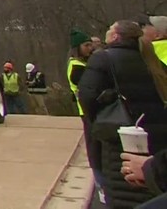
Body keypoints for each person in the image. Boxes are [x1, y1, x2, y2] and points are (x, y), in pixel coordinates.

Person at [78, 20, 167, 209]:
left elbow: (87, 96)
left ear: (116, 36)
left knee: (122, 189)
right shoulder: (153, 60)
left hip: (120, 135)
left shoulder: (102, 59)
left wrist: (101, 121)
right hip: (157, 139)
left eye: (110, 29)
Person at [70, 28, 107, 204]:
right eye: (86, 45)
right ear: (77, 48)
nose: (90, 48)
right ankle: (101, 186)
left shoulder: (86, 63)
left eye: (91, 44)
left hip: (94, 111)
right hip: (87, 111)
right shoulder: (77, 67)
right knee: (95, 150)